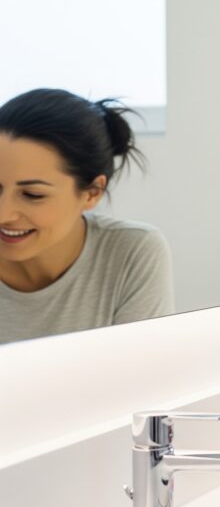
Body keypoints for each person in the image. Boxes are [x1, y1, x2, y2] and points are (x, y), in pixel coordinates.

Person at [0, 89, 173, 344]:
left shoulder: (132, 252)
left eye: (32, 195)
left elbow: (142, 365)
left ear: (92, 192)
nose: (3, 214)